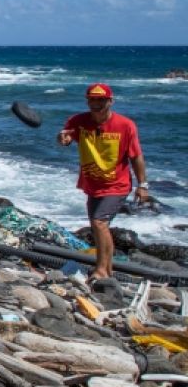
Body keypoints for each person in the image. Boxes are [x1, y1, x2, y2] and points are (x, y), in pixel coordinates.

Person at [57, 83, 149, 279]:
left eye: (101, 100)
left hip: (117, 185)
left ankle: (101, 270)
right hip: (92, 184)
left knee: (99, 222)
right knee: (99, 225)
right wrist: (62, 140)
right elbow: (66, 138)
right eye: (92, 99)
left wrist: (142, 185)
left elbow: (136, 156)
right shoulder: (78, 121)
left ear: (110, 101)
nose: (96, 103)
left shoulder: (125, 125)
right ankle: (107, 271)